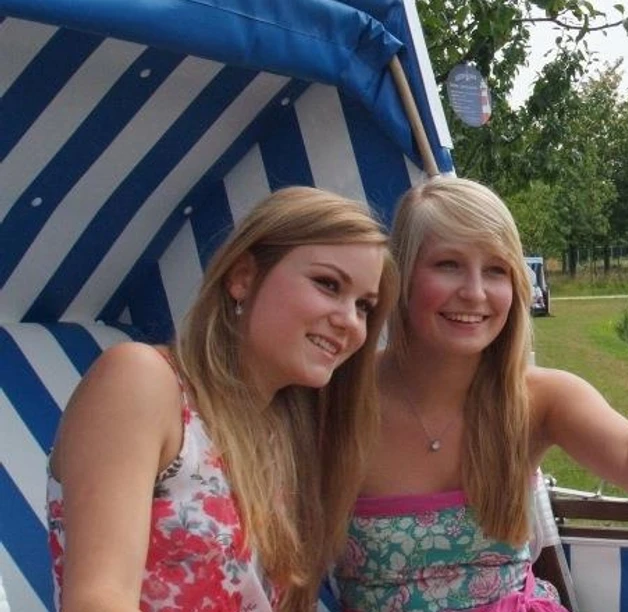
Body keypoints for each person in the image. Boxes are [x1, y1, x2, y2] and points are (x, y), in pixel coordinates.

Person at [335, 176, 628, 611]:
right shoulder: (341, 393)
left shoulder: (543, 397)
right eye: (447, 264)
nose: (475, 292)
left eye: (496, 270)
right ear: (402, 275)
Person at [47, 187, 398, 612]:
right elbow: (98, 599)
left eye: (364, 306)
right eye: (328, 284)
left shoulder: (287, 435)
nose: (349, 321)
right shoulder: (144, 381)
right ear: (242, 277)